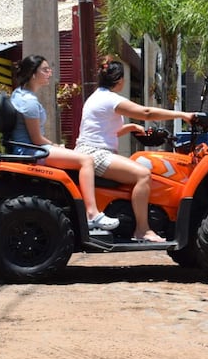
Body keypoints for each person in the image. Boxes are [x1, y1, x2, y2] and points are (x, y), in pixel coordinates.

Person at [74, 57, 196, 243]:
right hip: (95, 153)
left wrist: (130, 128)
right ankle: (143, 230)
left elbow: (103, 131)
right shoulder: (110, 99)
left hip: (90, 150)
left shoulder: (96, 97)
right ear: (121, 80)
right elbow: (146, 113)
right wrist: (183, 115)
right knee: (143, 175)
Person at [10, 55, 120, 231]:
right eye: (45, 70)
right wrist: (55, 146)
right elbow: (37, 139)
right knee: (86, 160)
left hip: (29, 148)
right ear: (32, 74)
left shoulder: (19, 94)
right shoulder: (29, 102)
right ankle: (92, 213)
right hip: (32, 151)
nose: (49, 73)